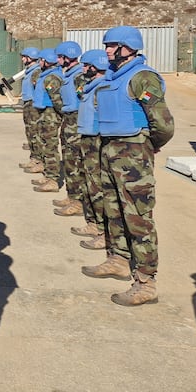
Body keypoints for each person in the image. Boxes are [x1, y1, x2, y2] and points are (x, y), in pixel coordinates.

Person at [81, 26, 174, 306]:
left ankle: (146, 282)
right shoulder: (113, 78)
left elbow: (164, 124)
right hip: (110, 151)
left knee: (138, 216)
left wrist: (148, 144)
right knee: (114, 209)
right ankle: (119, 259)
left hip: (133, 154)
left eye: (113, 45)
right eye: (107, 45)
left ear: (130, 47)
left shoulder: (142, 78)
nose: (108, 50)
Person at [64, 50, 110, 250]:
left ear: (95, 67)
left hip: (97, 140)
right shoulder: (92, 86)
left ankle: (102, 229)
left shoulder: (104, 87)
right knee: (88, 182)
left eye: (86, 66)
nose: (82, 69)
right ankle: (94, 223)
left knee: (98, 185)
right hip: (87, 138)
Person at [51, 41, 84, 216]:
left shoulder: (79, 76)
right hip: (69, 121)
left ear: (67, 57)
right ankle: (72, 197)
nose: (57, 59)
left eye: (59, 56)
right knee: (69, 163)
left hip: (76, 123)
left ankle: (78, 202)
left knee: (75, 164)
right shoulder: (69, 74)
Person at [28, 48, 63, 192]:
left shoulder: (52, 78)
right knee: (44, 144)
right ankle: (48, 175)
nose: (39, 62)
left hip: (50, 115)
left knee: (50, 147)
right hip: (44, 114)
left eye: (41, 60)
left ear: (47, 62)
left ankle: (53, 179)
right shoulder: (46, 75)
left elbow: (57, 101)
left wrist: (61, 115)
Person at [17, 47, 42, 170]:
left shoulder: (36, 72)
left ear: (30, 58)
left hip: (33, 105)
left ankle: (38, 161)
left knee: (34, 133)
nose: (22, 59)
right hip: (28, 104)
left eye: (24, 56)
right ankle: (34, 158)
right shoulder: (29, 71)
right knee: (30, 132)